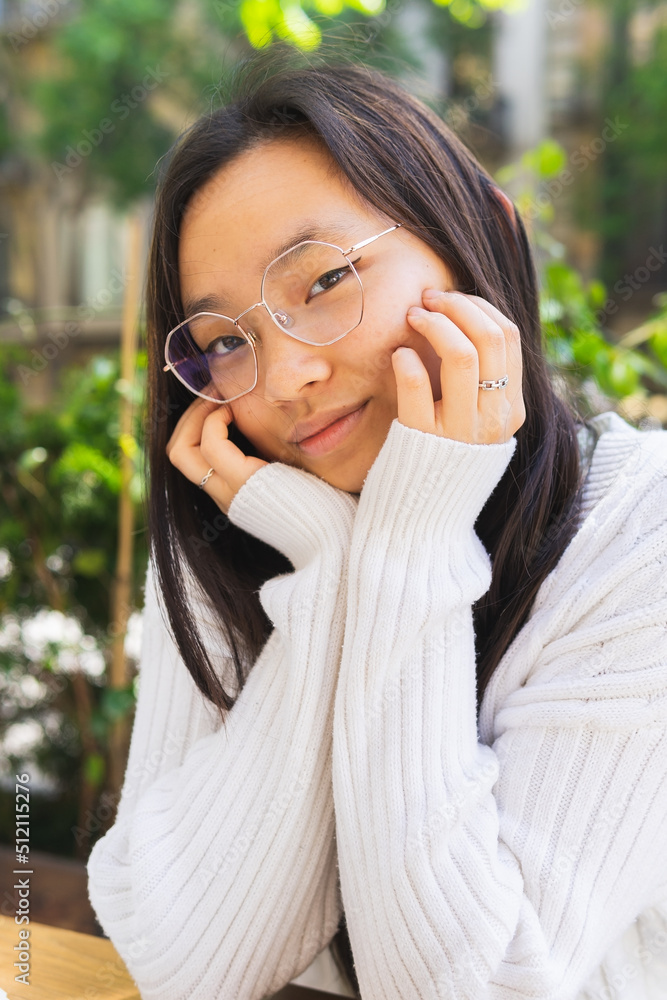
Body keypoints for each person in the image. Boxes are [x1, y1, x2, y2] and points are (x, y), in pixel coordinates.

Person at [86, 48, 667, 1000]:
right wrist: (327, 563)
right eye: (225, 341)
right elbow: (187, 967)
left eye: (321, 283)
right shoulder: (243, 524)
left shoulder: (634, 532)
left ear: (483, 232)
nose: (280, 381)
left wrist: (409, 538)